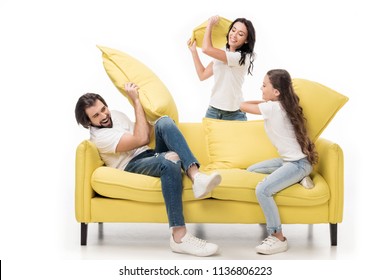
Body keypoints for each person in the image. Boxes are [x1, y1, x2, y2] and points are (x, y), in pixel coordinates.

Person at [75, 82, 222, 257]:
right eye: (96, 115)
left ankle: (196, 176)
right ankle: (179, 236)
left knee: (164, 122)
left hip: (149, 154)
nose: (104, 115)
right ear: (88, 122)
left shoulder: (116, 115)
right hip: (132, 165)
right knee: (171, 159)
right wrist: (135, 100)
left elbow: (147, 131)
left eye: (103, 109)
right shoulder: (99, 137)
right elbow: (142, 138)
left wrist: (158, 117)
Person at [240, 69, 318, 255]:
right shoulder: (281, 105)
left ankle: (278, 237)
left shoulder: (273, 108)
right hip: (289, 162)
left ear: (277, 92)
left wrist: (266, 102)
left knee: (263, 189)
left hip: (298, 164)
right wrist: (267, 100)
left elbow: (242, 105)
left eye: (265, 85)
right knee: (252, 170)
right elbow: (254, 104)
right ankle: (299, 178)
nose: (261, 87)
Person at [188, 15, 256, 121]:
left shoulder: (242, 58)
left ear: (246, 40)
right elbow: (202, 75)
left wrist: (210, 25)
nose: (234, 35)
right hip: (213, 111)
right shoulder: (222, 53)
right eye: (233, 30)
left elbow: (206, 49)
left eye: (240, 34)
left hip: (235, 114)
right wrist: (194, 52)